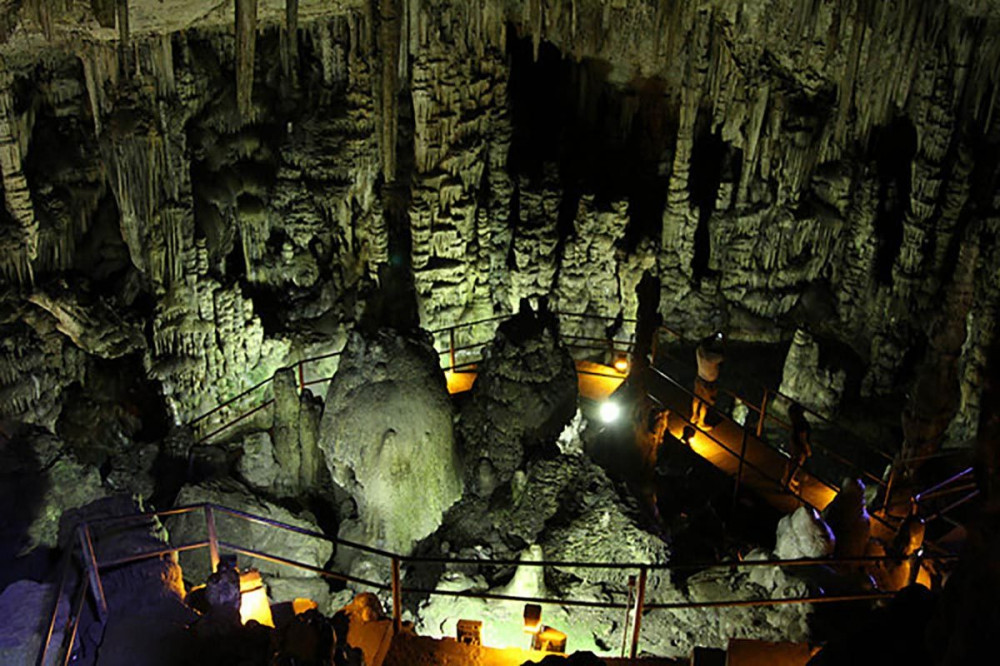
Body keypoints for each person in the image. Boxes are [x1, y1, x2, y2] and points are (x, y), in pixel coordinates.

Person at [692, 332, 725, 429]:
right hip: (709, 383)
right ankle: (701, 422)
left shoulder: (699, 351)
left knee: (696, 399)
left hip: (699, 378)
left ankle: (694, 416)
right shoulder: (711, 357)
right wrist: (722, 343)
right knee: (705, 404)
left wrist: (713, 336)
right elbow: (722, 357)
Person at [783, 402, 812, 491]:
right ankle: (787, 483)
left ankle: (786, 480)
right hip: (799, 445)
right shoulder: (802, 424)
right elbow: (802, 438)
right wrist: (807, 449)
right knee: (796, 464)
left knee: (792, 462)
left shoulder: (796, 423)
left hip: (794, 442)